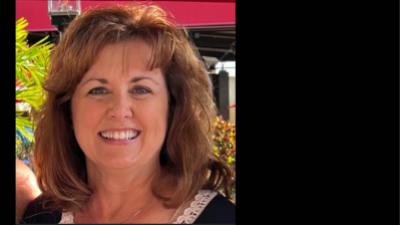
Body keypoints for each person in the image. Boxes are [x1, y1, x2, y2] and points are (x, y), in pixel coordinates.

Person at [21, 3, 235, 224]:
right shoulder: (41, 216)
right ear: (67, 110)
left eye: (141, 89)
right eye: (98, 90)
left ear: (173, 107)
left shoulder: (221, 219)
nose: (119, 110)